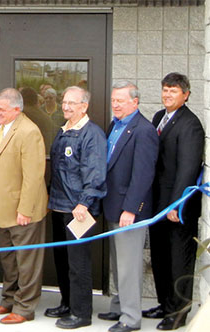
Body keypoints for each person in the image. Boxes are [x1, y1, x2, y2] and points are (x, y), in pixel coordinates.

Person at [143, 72, 204, 331]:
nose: (168, 94)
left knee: (179, 260)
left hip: (177, 207)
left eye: (174, 91)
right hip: (157, 203)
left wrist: (176, 205)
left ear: (186, 95)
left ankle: (178, 313)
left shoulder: (190, 124)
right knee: (160, 257)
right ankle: (165, 304)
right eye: (165, 89)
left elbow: (188, 170)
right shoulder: (159, 117)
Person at [0, 88, 47, 325]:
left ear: (17, 109)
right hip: (0, 207)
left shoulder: (29, 131)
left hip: (22, 211)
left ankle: (25, 307)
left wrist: (25, 210)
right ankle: (8, 299)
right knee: (8, 259)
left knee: (26, 261)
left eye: (2, 109)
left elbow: (33, 176)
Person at [45, 86, 107, 329]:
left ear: (84, 106)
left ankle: (81, 313)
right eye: (64, 101)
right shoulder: (64, 130)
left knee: (78, 264)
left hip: (79, 210)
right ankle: (67, 303)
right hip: (59, 206)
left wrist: (84, 202)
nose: (66, 106)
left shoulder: (92, 134)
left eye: (72, 103)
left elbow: (96, 173)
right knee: (62, 260)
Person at [98, 82, 158, 332]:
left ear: (135, 102)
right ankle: (118, 306)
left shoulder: (144, 130)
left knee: (129, 265)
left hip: (128, 210)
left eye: (121, 100)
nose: (115, 104)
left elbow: (143, 175)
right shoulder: (115, 125)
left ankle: (131, 318)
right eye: (113, 100)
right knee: (117, 263)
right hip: (112, 205)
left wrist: (132, 208)